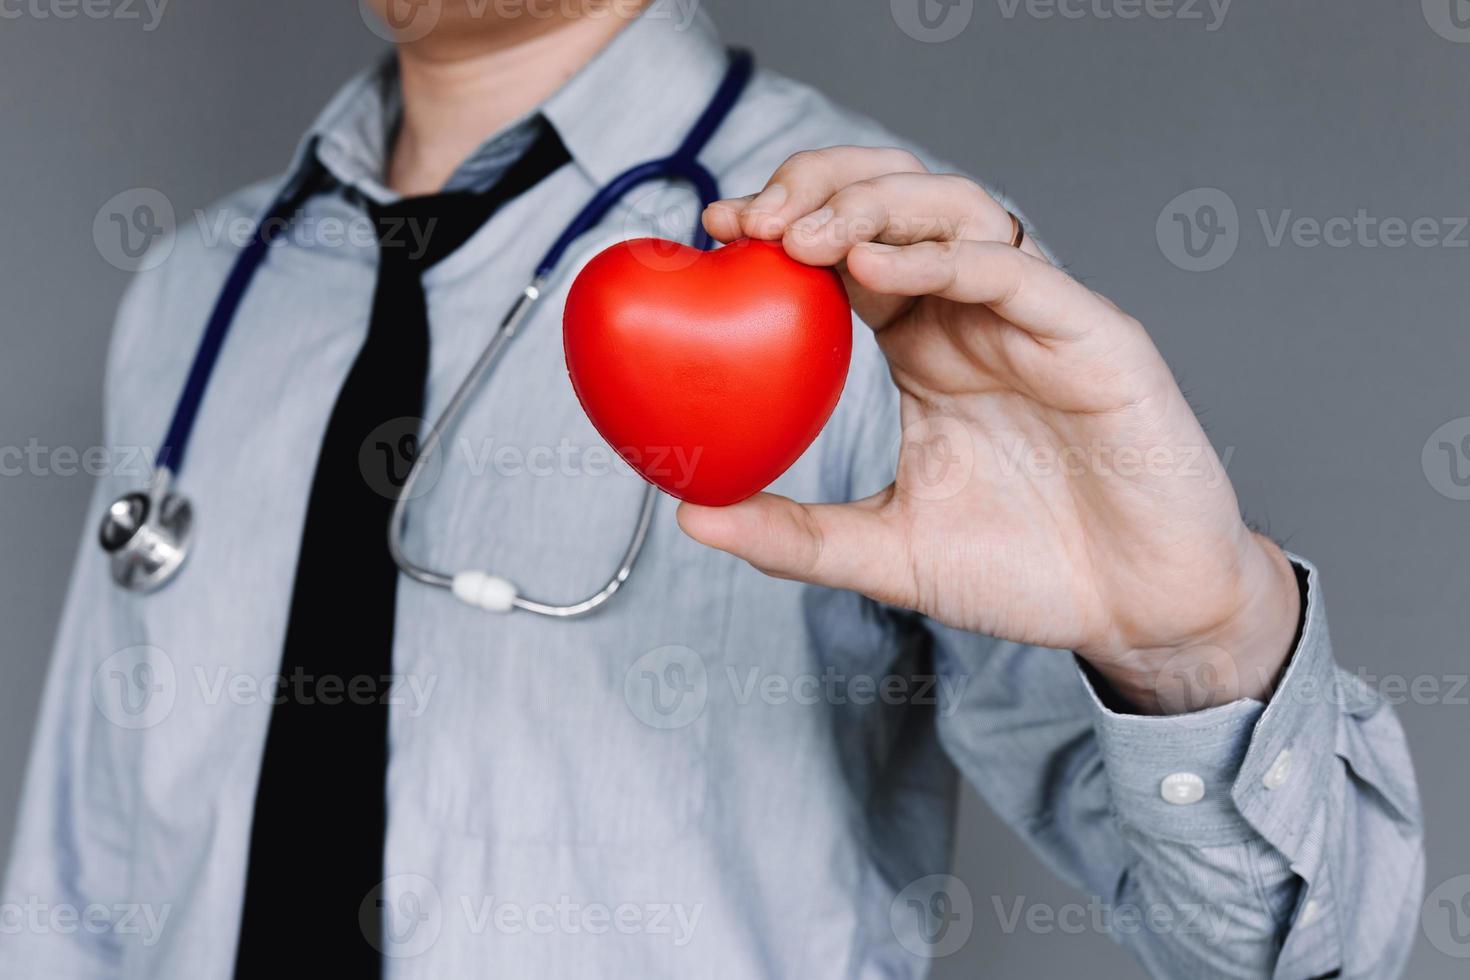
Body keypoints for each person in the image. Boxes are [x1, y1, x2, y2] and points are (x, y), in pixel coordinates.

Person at [2, 1, 1423, 977]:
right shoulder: (196, 295)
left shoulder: (897, 287)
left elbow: (1302, 951)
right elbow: (77, 881)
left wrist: (1190, 649)